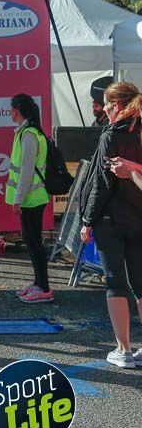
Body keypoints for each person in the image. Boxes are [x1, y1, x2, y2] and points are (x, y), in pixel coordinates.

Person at [79, 81, 142, 368]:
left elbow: (100, 185)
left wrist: (87, 220)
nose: (103, 108)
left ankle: (123, 348)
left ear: (117, 105)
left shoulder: (113, 134)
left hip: (111, 219)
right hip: (138, 217)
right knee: (140, 284)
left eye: (106, 104)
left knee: (115, 282)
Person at [6, 94, 54, 304]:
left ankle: (43, 287)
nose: (10, 113)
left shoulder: (29, 135)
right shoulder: (28, 132)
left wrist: (18, 198)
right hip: (32, 197)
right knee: (32, 242)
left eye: (11, 109)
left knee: (34, 243)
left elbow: (26, 171)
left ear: (17, 110)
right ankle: (38, 284)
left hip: (32, 199)